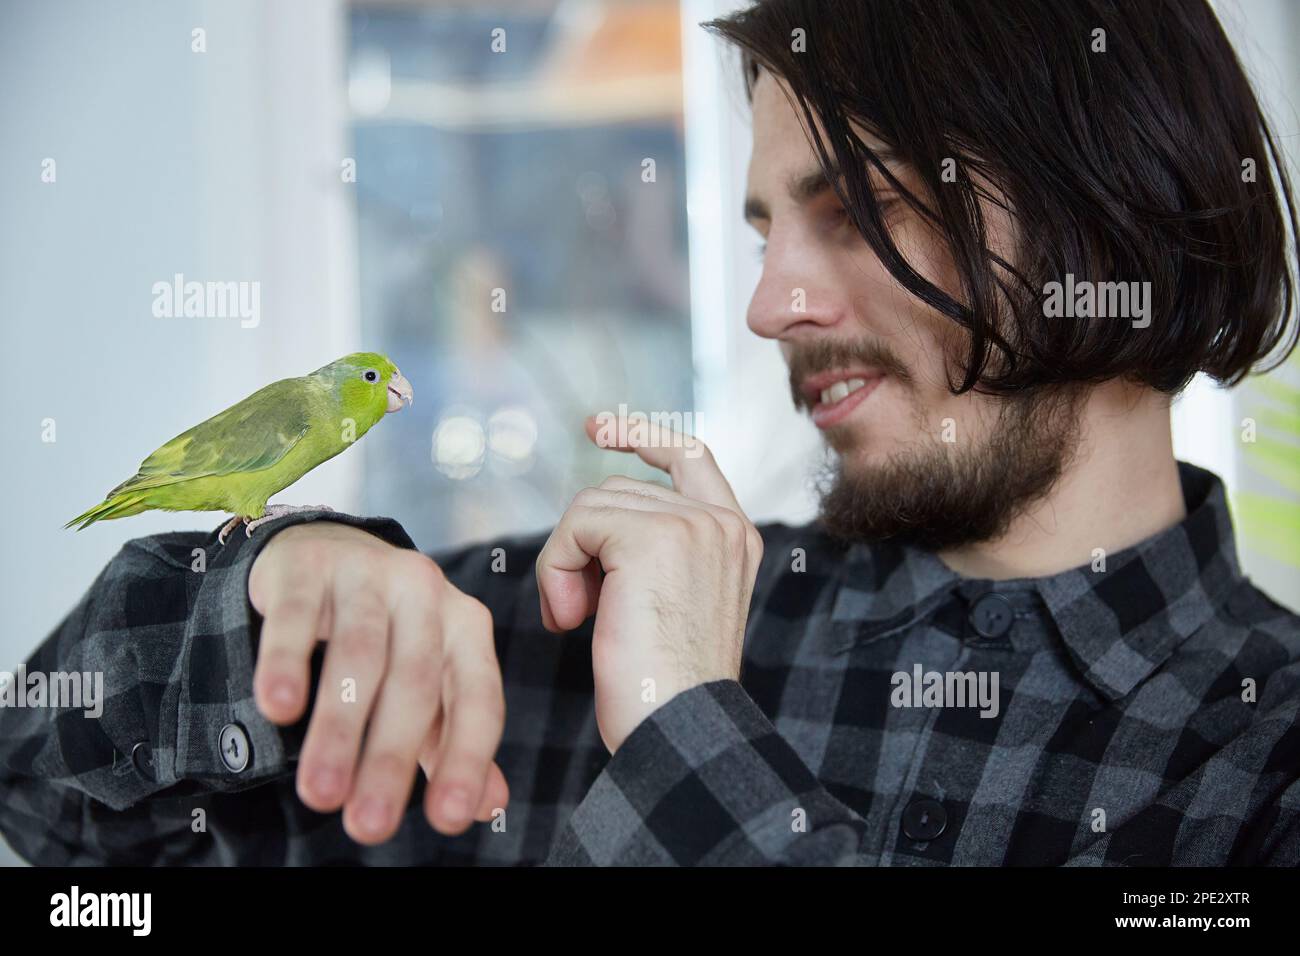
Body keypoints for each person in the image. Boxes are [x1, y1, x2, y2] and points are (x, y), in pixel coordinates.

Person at [3, 0, 1298, 865]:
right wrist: (266, 603)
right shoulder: (572, 625)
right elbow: (44, 793)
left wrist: (688, 730)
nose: (769, 306)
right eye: (762, 234)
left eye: (863, 206)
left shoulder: (1266, 768)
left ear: (1120, 205)